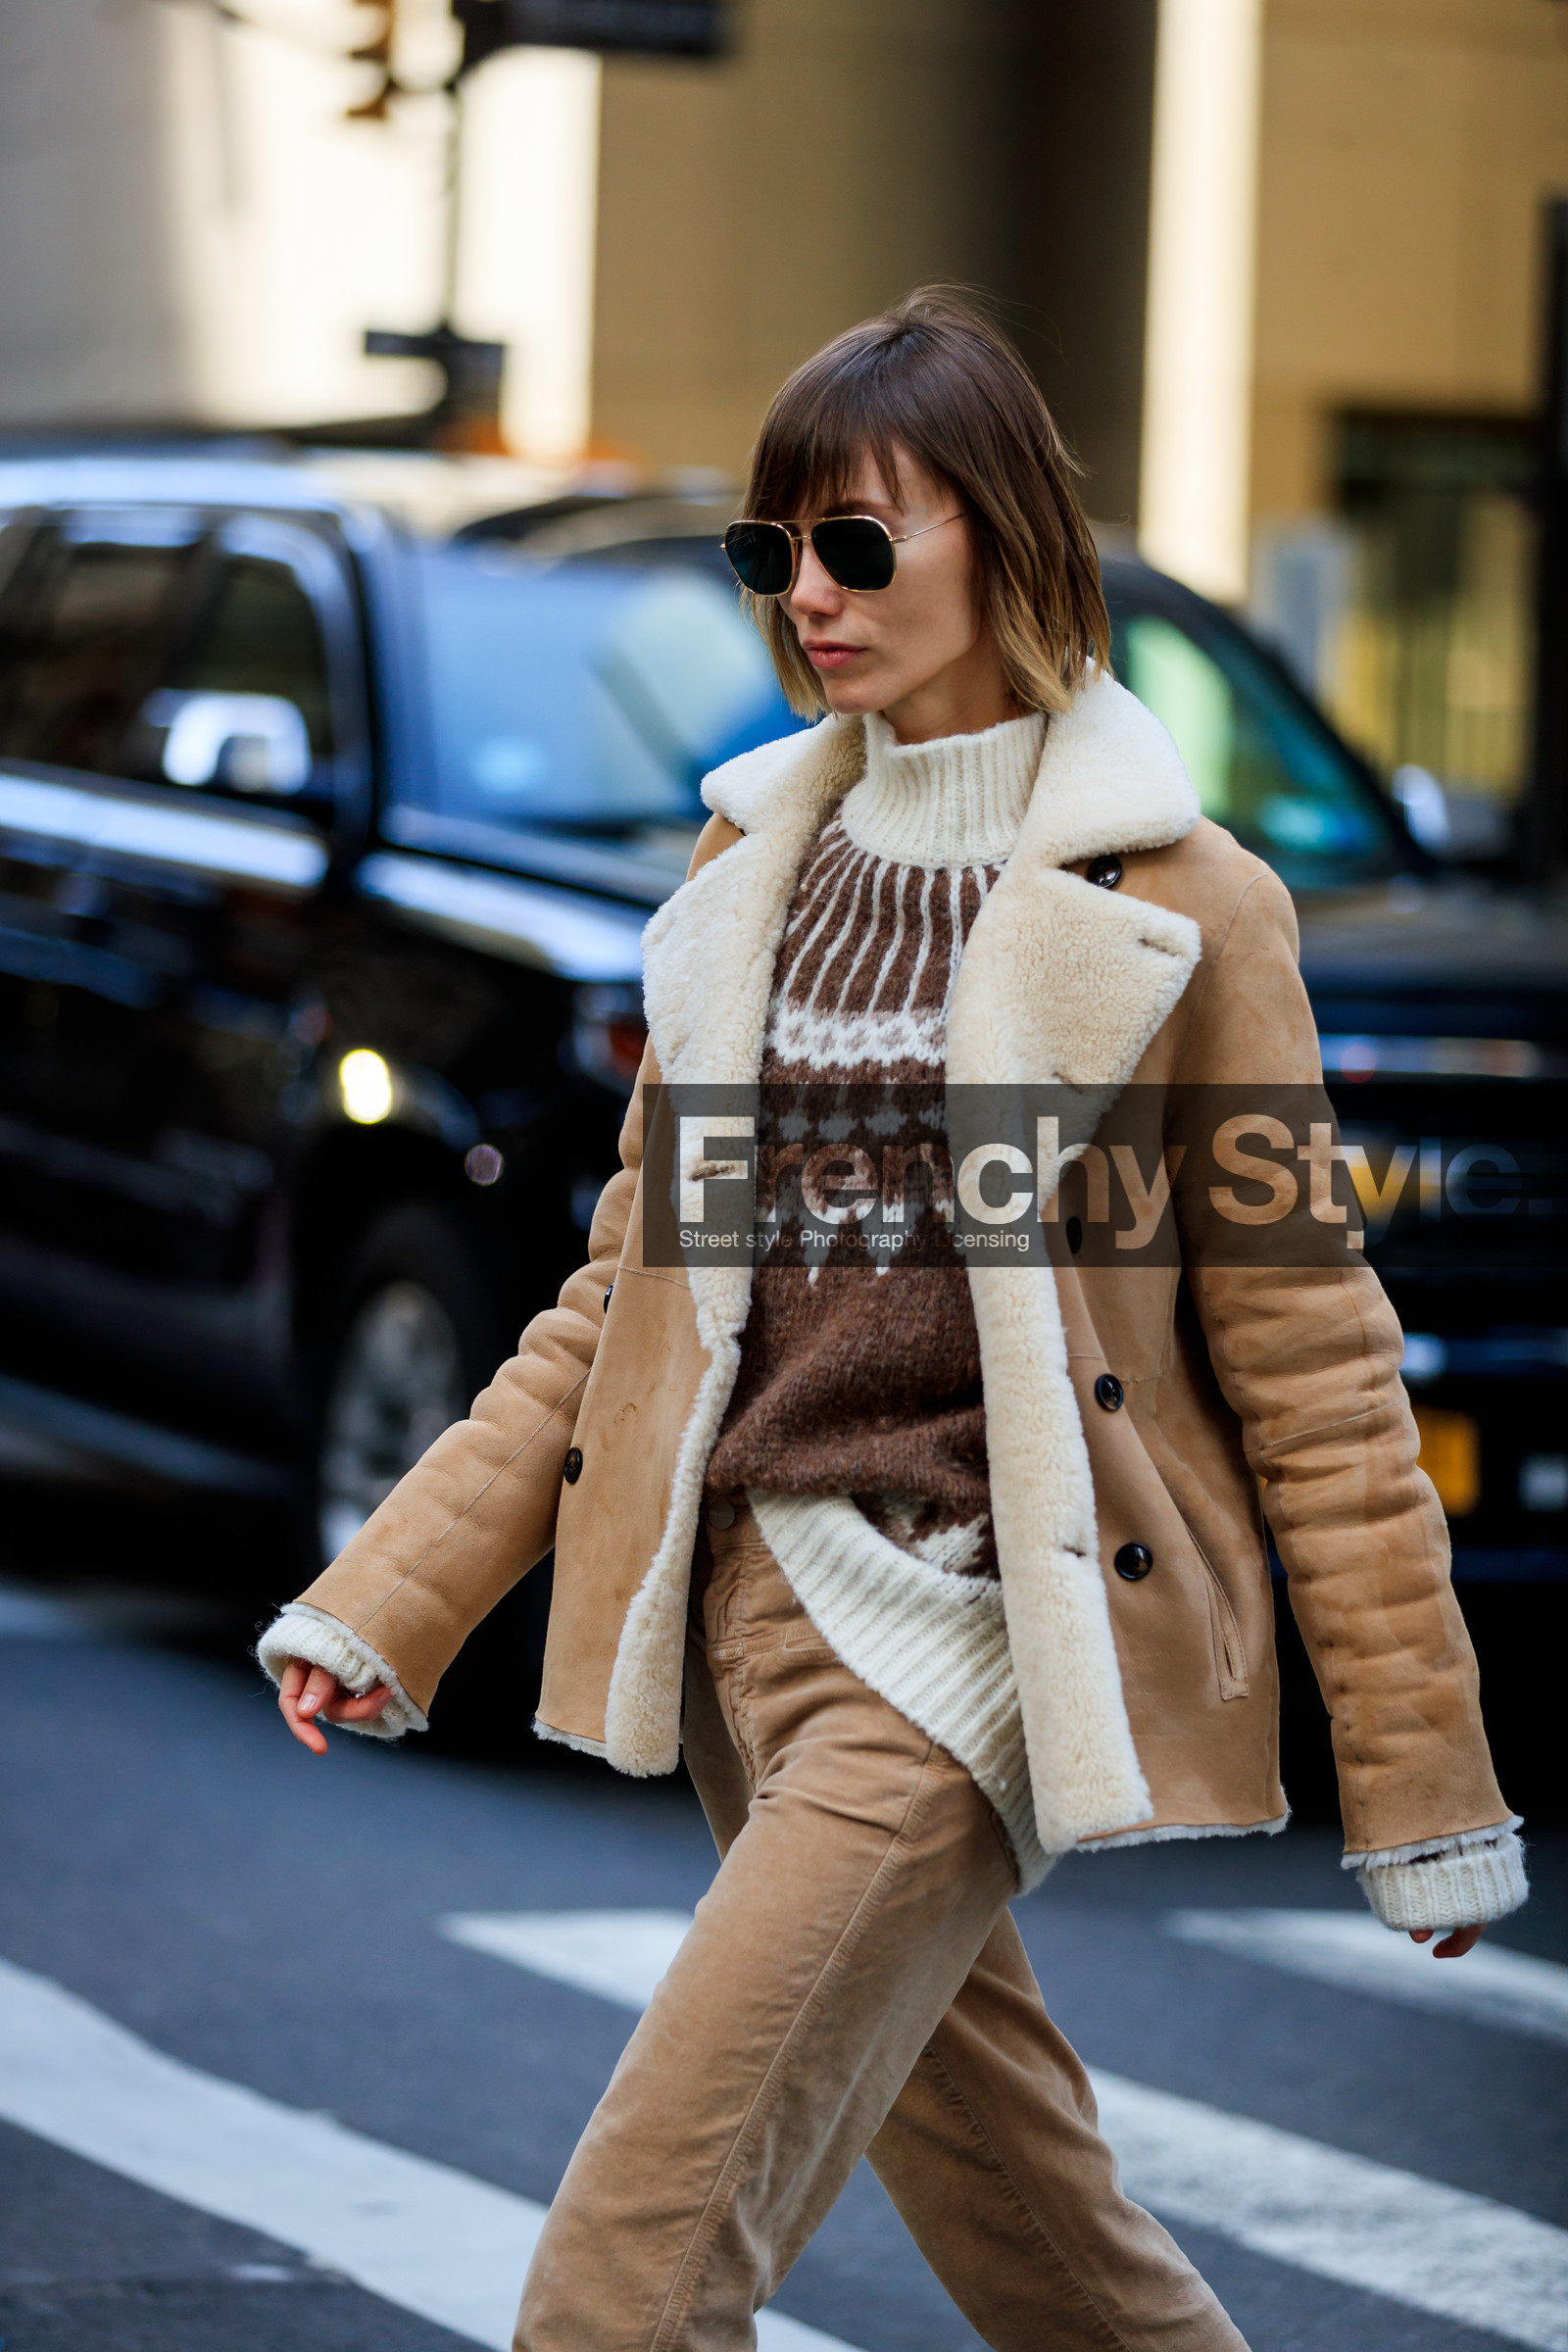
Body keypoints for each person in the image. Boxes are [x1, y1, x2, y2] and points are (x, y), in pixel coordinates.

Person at [259, 289, 1525, 2352]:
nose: (808, 597)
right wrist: (389, 1592)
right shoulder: (756, 870)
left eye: (860, 544)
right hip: (748, 1625)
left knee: (629, 2266)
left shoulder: (1186, 910)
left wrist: (1421, 1786)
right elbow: (623, 1301)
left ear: (1007, 542)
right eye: (774, 553)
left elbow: (1310, 1359)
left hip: (960, 1628)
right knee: (1042, 2242)